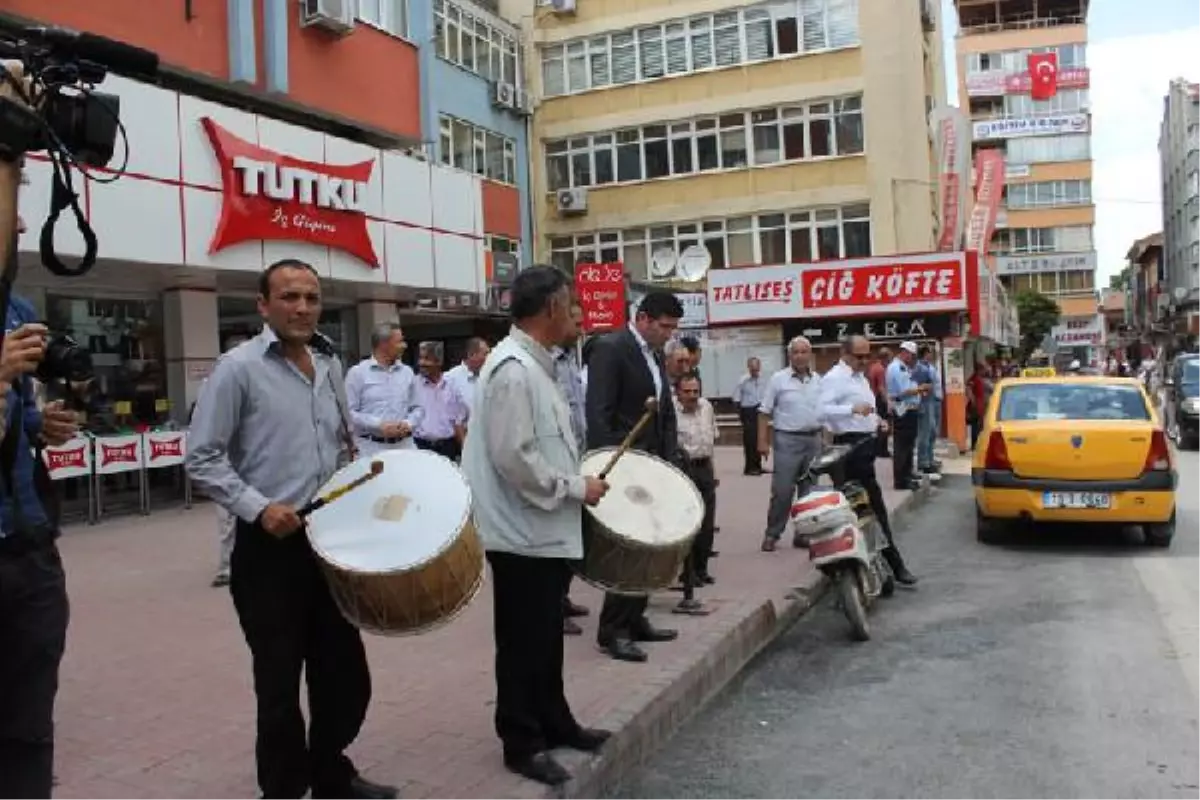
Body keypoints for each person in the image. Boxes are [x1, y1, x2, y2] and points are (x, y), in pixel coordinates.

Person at [186, 259, 396, 800]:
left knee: (344, 674)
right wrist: (257, 507)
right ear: (263, 305)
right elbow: (201, 458)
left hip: (329, 542)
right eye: (289, 297)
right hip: (268, 547)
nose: (302, 307)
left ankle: (330, 770)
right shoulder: (237, 369)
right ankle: (282, 788)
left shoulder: (328, 364)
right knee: (279, 683)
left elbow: (340, 446)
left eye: (311, 297)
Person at [461, 266, 612, 787]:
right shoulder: (512, 369)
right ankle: (520, 740)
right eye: (570, 305)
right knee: (524, 642)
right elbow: (515, 458)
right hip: (521, 533)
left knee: (545, 638)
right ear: (550, 308)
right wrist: (576, 487)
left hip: (541, 529)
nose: (576, 315)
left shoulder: (537, 364)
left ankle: (555, 721)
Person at [0, 205, 83, 798]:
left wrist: (38, 424)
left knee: (30, 726)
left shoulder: (17, 312)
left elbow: (17, 419)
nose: (23, 225)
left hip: (30, 549)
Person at [586, 291, 682, 663]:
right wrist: (616, 466)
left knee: (652, 546)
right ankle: (613, 630)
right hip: (626, 467)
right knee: (629, 551)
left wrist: (670, 460)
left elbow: (663, 413)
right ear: (643, 318)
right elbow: (599, 414)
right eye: (664, 326)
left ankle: (636, 616)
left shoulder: (653, 353)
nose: (669, 335)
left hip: (655, 466)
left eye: (674, 328)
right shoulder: (611, 348)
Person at [820, 336, 917, 585]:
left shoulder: (860, 379)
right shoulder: (834, 378)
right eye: (858, 356)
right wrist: (850, 410)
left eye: (866, 356)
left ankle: (881, 566)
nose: (864, 361)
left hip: (866, 445)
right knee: (864, 509)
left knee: (872, 511)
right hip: (846, 448)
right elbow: (820, 411)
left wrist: (877, 421)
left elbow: (868, 411)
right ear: (845, 353)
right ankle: (890, 566)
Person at [758, 336, 824, 552]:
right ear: (789, 356)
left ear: (810, 355)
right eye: (795, 352)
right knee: (783, 491)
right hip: (787, 440)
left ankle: (803, 534)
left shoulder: (818, 380)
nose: (800, 356)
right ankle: (772, 534)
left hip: (813, 439)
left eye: (804, 352)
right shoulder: (778, 379)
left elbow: (825, 412)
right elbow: (764, 411)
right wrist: (762, 442)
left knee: (809, 492)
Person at [552, 299, 589, 636]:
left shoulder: (570, 360)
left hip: (579, 459)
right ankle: (554, 609)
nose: (581, 330)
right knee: (560, 539)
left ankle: (563, 598)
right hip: (557, 468)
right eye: (576, 323)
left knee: (574, 536)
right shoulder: (544, 362)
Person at [208, 333, 250, 588]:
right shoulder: (216, 383)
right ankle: (226, 568)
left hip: (252, 461)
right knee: (227, 519)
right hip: (226, 462)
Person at [344, 323, 422, 457]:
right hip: (371, 450)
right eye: (399, 342)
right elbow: (348, 413)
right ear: (384, 344)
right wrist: (378, 425)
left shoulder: (407, 372)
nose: (404, 345)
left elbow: (418, 408)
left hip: (405, 447)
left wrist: (408, 423)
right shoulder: (357, 373)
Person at [674, 372, 717, 587]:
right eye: (687, 392)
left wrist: (713, 473)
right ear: (678, 393)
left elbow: (711, 441)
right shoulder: (671, 412)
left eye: (696, 391)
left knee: (707, 523)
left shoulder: (706, 407)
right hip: (683, 469)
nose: (692, 396)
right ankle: (687, 573)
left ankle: (701, 569)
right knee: (689, 524)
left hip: (704, 468)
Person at [412, 340, 467, 461]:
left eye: (427, 359)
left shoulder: (452, 385)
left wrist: (466, 451)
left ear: (439, 361)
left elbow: (458, 422)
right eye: (420, 358)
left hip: (447, 448)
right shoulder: (412, 385)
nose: (421, 363)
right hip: (420, 447)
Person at [886, 341, 928, 491]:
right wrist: (920, 389)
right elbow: (903, 392)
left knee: (909, 445)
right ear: (904, 352)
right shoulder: (897, 368)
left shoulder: (904, 368)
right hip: (903, 410)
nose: (912, 358)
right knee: (902, 446)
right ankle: (901, 480)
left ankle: (907, 474)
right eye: (911, 355)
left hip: (909, 410)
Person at [912, 345, 943, 481]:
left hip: (934, 401)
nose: (932, 355)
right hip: (926, 402)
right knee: (925, 433)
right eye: (930, 353)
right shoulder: (920, 368)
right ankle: (923, 462)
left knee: (933, 433)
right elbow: (920, 386)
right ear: (925, 353)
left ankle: (930, 459)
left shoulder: (931, 366)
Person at [732, 357, 766, 475]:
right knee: (750, 440)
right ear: (749, 368)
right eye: (752, 369)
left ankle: (758, 465)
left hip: (759, 409)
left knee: (759, 439)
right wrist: (741, 414)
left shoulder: (763, 380)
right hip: (747, 411)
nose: (755, 371)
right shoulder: (743, 381)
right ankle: (750, 467)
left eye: (756, 369)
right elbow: (736, 398)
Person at [445, 336, 490, 424]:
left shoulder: (488, 376)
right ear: (471, 355)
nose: (489, 358)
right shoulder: (450, 378)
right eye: (485, 354)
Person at [868, 348, 892, 457]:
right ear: (885, 358)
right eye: (889, 359)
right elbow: (881, 387)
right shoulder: (881, 369)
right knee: (884, 426)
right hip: (879, 399)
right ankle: (882, 450)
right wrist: (888, 403)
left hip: (872, 398)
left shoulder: (873, 367)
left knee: (877, 425)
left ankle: (877, 449)